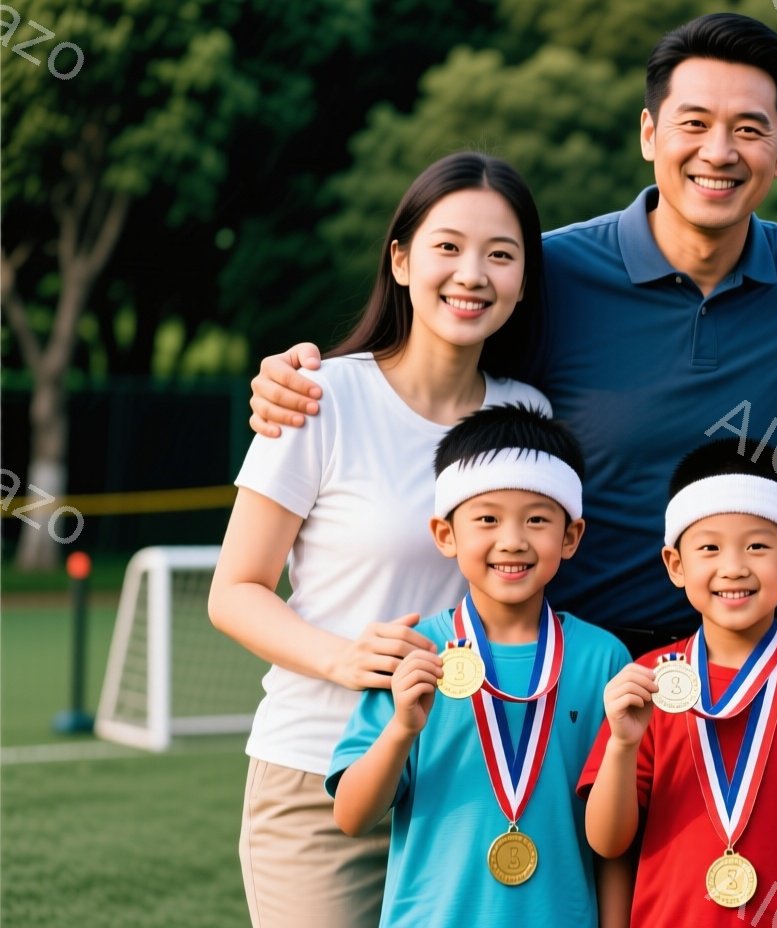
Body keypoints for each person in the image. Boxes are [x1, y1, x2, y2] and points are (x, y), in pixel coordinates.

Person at [244, 13, 777, 656]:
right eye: (694, 123)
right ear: (650, 133)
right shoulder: (549, 274)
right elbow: (435, 369)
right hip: (571, 672)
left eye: (749, 130)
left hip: (750, 662)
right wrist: (307, 376)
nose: (719, 151)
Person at [207, 152, 553, 927]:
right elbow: (234, 591)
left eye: (501, 255)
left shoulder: (529, 415)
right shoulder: (318, 397)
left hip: (470, 783)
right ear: (400, 259)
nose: (472, 274)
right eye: (447, 247)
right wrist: (341, 658)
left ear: (525, 279)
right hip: (320, 774)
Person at [329, 404, 630, 926]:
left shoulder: (603, 659)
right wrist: (402, 727)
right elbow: (353, 816)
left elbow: (614, 841)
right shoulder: (415, 652)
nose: (512, 539)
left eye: (537, 518)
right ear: (446, 534)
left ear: (571, 536)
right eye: (487, 518)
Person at [581, 440, 777, 927]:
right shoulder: (647, 684)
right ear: (677, 565)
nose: (734, 566)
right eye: (709, 547)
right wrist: (621, 746)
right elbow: (609, 844)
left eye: (758, 545)